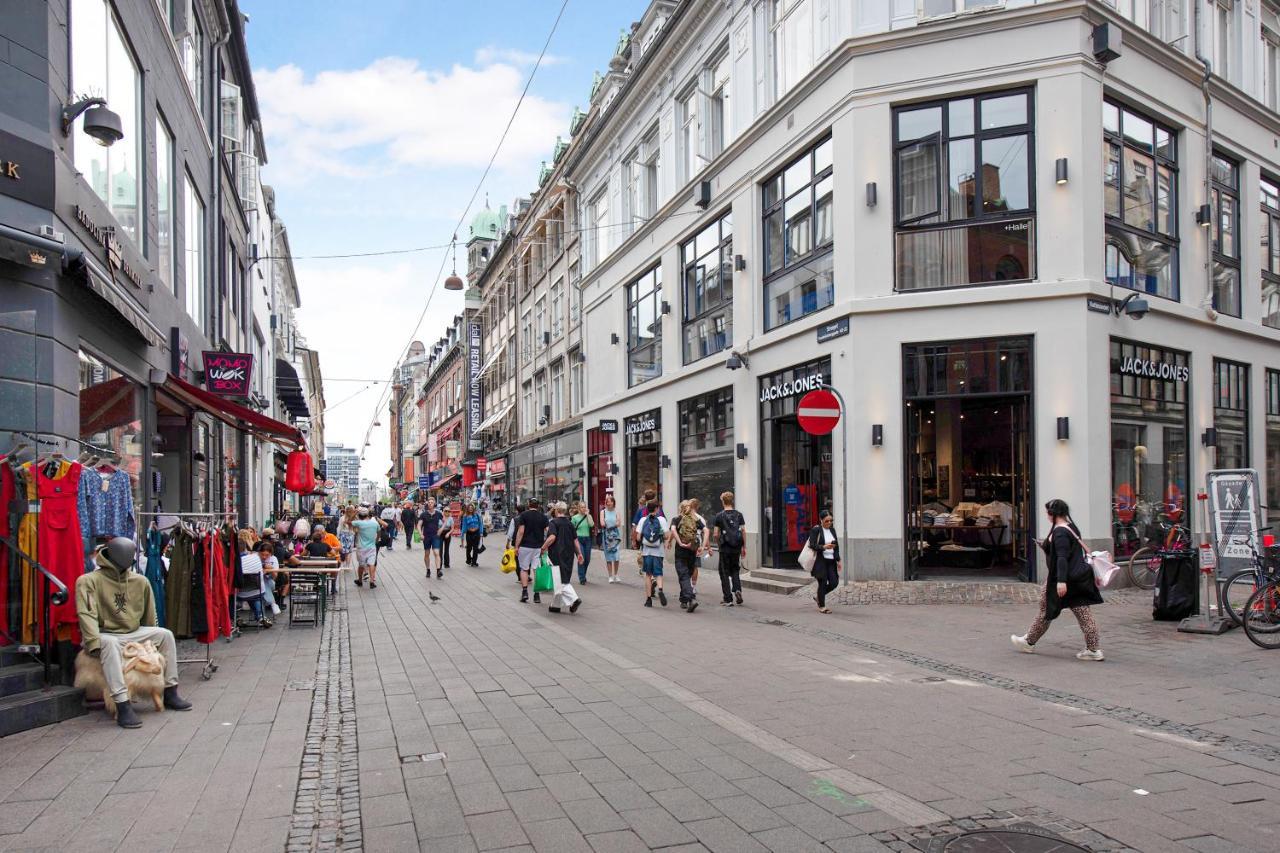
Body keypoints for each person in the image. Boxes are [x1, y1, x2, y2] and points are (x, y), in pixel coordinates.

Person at [75, 537, 192, 729]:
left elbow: (149, 614)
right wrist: (93, 643)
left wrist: (147, 645)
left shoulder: (140, 581)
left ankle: (171, 691)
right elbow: (85, 614)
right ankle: (122, 704)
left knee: (165, 635)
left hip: (133, 632)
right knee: (110, 645)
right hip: (106, 634)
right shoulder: (88, 581)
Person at [1012, 499, 1105, 660]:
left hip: (1063, 579)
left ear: (1053, 514)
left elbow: (1062, 558)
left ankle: (1029, 642)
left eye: (1048, 512)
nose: (1047, 515)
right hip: (1076, 577)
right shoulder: (1070, 527)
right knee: (1082, 613)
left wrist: (1061, 582)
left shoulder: (1060, 532)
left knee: (1046, 609)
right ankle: (1093, 649)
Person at [545, 501, 583, 614]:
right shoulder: (570, 523)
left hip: (556, 554)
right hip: (569, 554)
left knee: (561, 581)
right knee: (562, 578)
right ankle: (556, 605)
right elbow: (575, 540)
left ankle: (574, 599)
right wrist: (579, 553)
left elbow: (552, 537)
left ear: (556, 510)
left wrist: (543, 547)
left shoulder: (553, 523)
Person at [712, 491, 746, 606]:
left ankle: (728, 598)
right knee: (735, 569)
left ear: (723, 501)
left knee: (724, 572)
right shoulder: (739, 514)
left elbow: (716, 534)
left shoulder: (719, 516)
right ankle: (737, 589)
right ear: (732, 501)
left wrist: (719, 544)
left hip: (725, 547)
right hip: (736, 547)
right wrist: (744, 546)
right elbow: (743, 531)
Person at [513, 498, 549, 604]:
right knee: (536, 569)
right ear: (538, 506)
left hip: (525, 546)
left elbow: (521, 531)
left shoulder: (523, 515)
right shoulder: (543, 517)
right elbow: (548, 531)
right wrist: (546, 545)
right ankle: (536, 595)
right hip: (538, 547)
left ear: (529, 505)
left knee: (524, 569)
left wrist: (516, 546)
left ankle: (525, 592)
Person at [635, 500, 669, 608]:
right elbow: (667, 536)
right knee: (658, 573)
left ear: (647, 509)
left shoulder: (643, 520)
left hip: (646, 551)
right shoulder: (662, 520)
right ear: (657, 509)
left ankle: (648, 599)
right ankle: (660, 589)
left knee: (648, 575)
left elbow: (638, 537)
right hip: (658, 552)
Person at [807, 511, 842, 613]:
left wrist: (838, 559)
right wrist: (824, 547)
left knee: (834, 583)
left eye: (831, 520)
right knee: (822, 583)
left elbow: (836, 546)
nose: (829, 523)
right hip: (820, 561)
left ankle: (819, 596)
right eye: (827, 521)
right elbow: (812, 545)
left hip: (831, 561)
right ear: (821, 520)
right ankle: (822, 606)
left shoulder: (832, 530)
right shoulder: (816, 530)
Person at [670, 502, 700, 613]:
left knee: (684, 576)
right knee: (686, 575)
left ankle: (691, 599)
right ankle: (683, 600)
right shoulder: (695, 518)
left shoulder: (676, 519)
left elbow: (673, 530)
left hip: (681, 552)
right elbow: (706, 530)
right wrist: (703, 545)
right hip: (692, 551)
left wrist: (679, 542)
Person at [352, 508, 383, 588]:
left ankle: (360, 581)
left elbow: (348, 521)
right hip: (372, 547)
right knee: (371, 564)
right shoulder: (374, 523)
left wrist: (355, 512)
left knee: (361, 565)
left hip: (361, 548)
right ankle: (372, 581)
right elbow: (379, 531)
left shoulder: (359, 523)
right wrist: (376, 539)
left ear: (359, 515)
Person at [599, 494, 623, 583]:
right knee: (608, 556)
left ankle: (616, 574)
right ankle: (610, 576)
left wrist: (610, 525)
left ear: (613, 503)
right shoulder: (603, 512)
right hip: (606, 536)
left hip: (615, 536)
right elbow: (602, 523)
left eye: (610, 501)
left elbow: (619, 523)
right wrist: (613, 525)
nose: (609, 503)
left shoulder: (617, 512)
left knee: (616, 556)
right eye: (607, 501)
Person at [420, 498, 445, 578]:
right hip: (426, 536)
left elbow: (445, 521)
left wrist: (441, 529)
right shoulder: (423, 514)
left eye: (432, 502)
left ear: (434, 504)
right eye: (429, 502)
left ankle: (438, 570)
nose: (430, 504)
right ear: (427, 504)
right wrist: (421, 534)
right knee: (427, 554)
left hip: (435, 536)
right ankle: (428, 570)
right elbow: (419, 525)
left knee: (436, 552)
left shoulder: (438, 513)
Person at [570, 501, 594, 584]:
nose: (584, 508)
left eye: (585, 507)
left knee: (587, 559)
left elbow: (591, 525)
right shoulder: (575, 518)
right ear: (579, 508)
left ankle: (583, 574)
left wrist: (588, 515)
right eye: (582, 507)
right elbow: (571, 529)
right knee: (582, 557)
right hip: (578, 539)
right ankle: (582, 578)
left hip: (587, 539)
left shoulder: (588, 516)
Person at [440, 503, 456, 570]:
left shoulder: (451, 518)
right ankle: (439, 564)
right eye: (445, 511)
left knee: (446, 549)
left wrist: (448, 533)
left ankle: (447, 564)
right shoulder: (440, 517)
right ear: (443, 511)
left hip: (447, 533)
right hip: (440, 533)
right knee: (440, 549)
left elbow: (452, 528)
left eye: (448, 511)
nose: (447, 512)